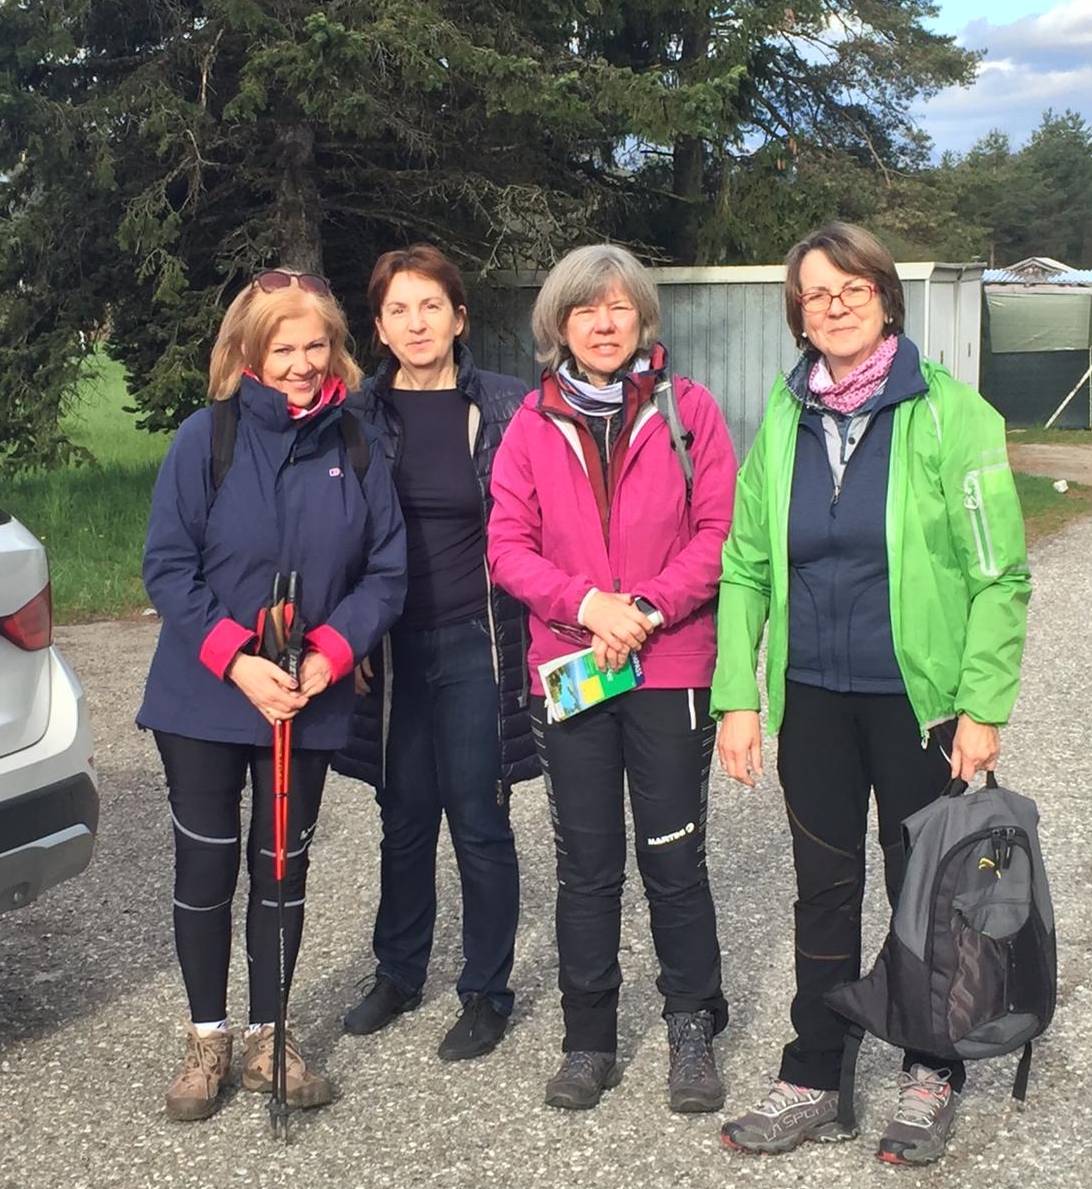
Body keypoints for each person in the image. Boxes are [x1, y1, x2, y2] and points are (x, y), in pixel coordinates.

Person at [712, 222, 1030, 1165]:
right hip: (812, 699)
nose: (836, 305)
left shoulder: (953, 416)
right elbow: (745, 566)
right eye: (817, 294)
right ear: (798, 315)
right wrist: (738, 697)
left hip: (916, 706)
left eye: (852, 288)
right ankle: (815, 1074)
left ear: (886, 299)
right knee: (822, 892)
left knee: (925, 893)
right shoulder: (782, 419)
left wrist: (983, 707)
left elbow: (999, 576)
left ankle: (933, 1068)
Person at [138, 269, 407, 1122]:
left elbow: (386, 571)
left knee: (281, 869)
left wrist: (332, 653)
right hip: (208, 694)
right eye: (283, 348)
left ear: (336, 348)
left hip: (306, 693)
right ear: (251, 353)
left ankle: (269, 1036)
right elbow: (168, 568)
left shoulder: (355, 442)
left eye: (315, 345)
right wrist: (238, 659)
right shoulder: (206, 438)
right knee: (207, 865)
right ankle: (206, 1037)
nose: (301, 363)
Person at [487, 243, 738, 1113]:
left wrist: (646, 609)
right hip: (573, 667)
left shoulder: (689, 411)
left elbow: (718, 533)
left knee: (674, 859)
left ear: (643, 319)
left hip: (669, 664)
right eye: (585, 309)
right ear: (559, 324)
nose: (603, 323)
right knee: (587, 866)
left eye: (619, 307)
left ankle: (691, 1028)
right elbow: (507, 547)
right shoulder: (530, 425)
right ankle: (588, 1039)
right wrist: (589, 606)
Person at [333, 244, 536, 1060]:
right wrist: (345, 629)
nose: (416, 324)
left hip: (478, 639)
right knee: (405, 814)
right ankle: (398, 972)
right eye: (398, 310)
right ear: (380, 328)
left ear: (459, 317)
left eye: (430, 306)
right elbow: (334, 533)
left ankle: (486, 991)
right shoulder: (355, 417)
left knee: (479, 816)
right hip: (389, 646)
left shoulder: (510, 406)